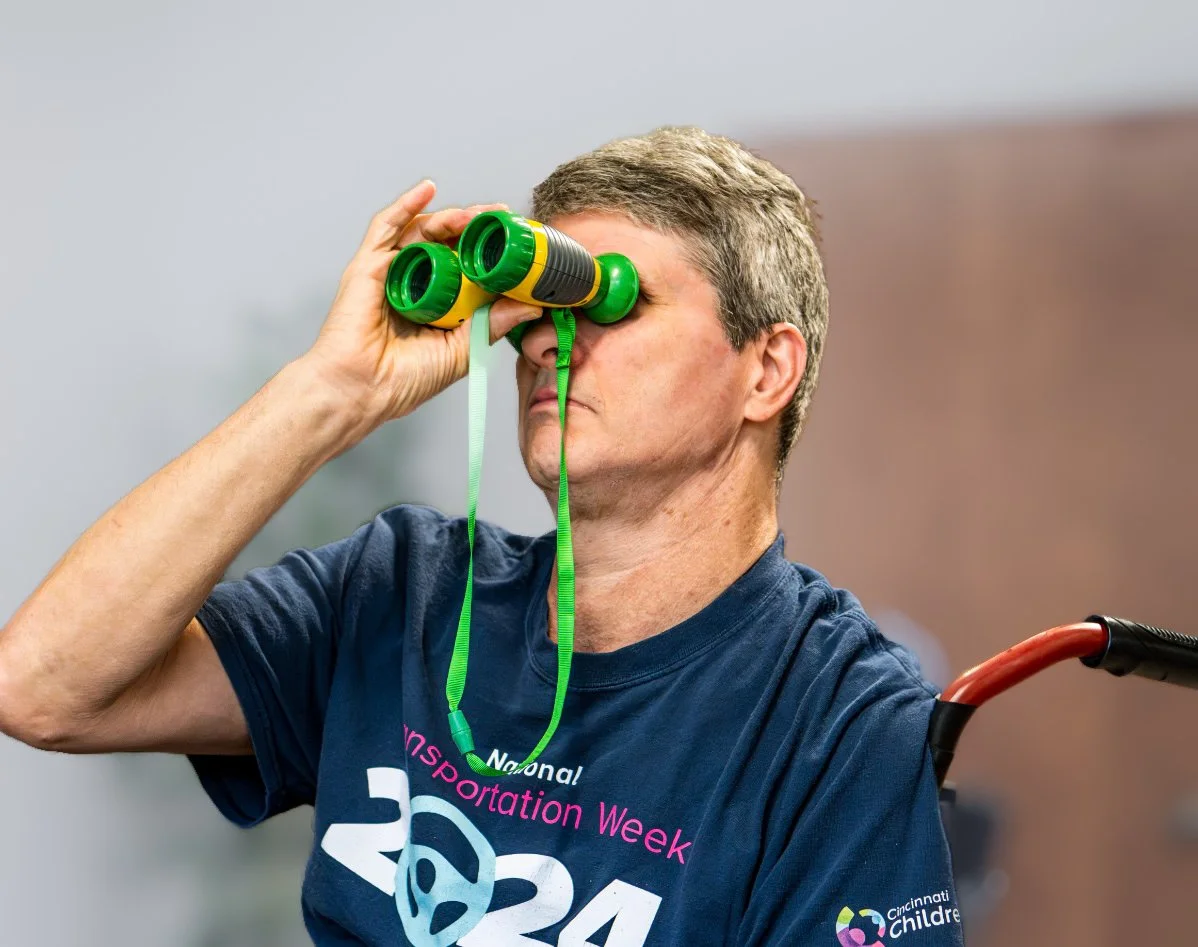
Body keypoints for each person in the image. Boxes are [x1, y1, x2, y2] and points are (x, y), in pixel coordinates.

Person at [0, 127, 963, 946]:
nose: (546, 338)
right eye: (541, 306)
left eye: (611, 300)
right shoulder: (403, 593)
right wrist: (329, 396)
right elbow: (45, 689)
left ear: (766, 370)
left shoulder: (840, 725)